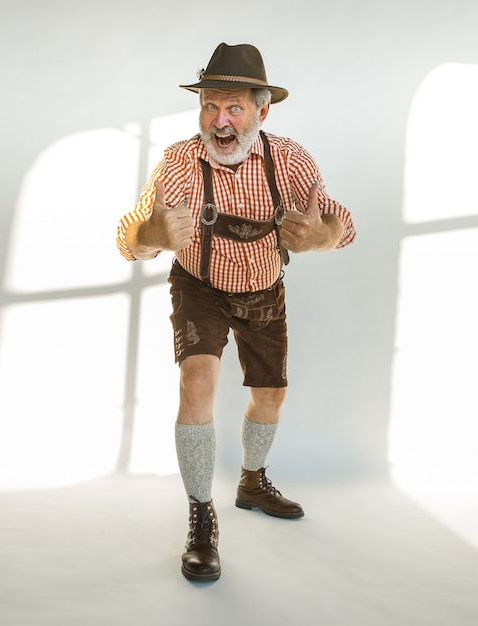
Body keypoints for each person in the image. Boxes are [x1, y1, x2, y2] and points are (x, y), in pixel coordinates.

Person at [116, 42, 355, 582]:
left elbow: (343, 223)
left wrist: (321, 236)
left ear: (262, 111)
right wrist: (151, 235)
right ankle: (202, 516)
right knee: (197, 383)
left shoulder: (290, 161)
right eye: (209, 107)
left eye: (234, 109)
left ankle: (252, 480)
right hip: (200, 285)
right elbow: (132, 235)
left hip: (264, 289)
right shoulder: (180, 160)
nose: (219, 122)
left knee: (269, 395)